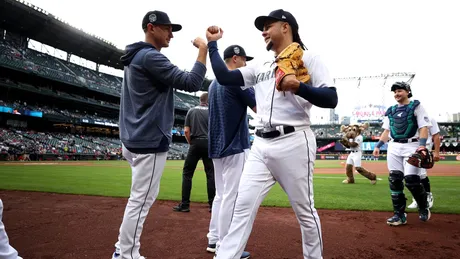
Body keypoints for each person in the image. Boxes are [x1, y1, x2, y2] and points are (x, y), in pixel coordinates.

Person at [206, 9, 338, 259]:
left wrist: (299, 86)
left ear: (286, 27)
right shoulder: (259, 64)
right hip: (260, 146)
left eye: (268, 25)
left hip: (294, 141)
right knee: (241, 208)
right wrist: (213, 45)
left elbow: (331, 98)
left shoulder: (310, 58)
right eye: (262, 27)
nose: (263, 31)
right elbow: (224, 77)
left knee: (305, 211)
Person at [111, 10, 208, 259]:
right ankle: (126, 253)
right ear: (151, 28)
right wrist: (203, 50)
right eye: (167, 29)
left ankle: (123, 248)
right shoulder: (150, 57)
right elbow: (191, 82)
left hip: (134, 138)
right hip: (149, 141)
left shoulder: (136, 56)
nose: (171, 35)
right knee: (141, 201)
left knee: (139, 199)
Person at [205, 45, 256, 259]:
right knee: (231, 197)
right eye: (244, 60)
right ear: (235, 59)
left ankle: (214, 239)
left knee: (220, 195)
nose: (246, 64)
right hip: (234, 145)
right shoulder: (236, 79)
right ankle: (225, 247)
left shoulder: (213, 84)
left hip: (216, 146)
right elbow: (258, 105)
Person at [373, 81, 432, 226]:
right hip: (393, 146)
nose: (396, 94)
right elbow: (387, 131)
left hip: (412, 145)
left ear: (407, 91)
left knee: (412, 180)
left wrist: (422, 146)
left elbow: (424, 128)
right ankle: (399, 215)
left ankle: (423, 206)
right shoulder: (391, 110)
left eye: (399, 91)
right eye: (394, 92)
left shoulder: (416, 106)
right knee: (394, 179)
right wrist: (378, 145)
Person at [173, 93, 215, 213]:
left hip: (195, 143)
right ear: (209, 100)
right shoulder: (213, 111)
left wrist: (192, 142)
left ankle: (185, 204)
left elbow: (186, 130)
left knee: (187, 173)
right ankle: (213, 205)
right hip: (208, 144)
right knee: (211, 174)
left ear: (199, 100)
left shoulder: (191, 111)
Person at [407, 117, 441, 209]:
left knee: (421, 175)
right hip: (410, 147)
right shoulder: (409, 117)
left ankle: (428, 197)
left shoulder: (429, 118)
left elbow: (436, 136)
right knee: (411, 175)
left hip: (425, 147)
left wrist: (437, 152)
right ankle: (416, 199)